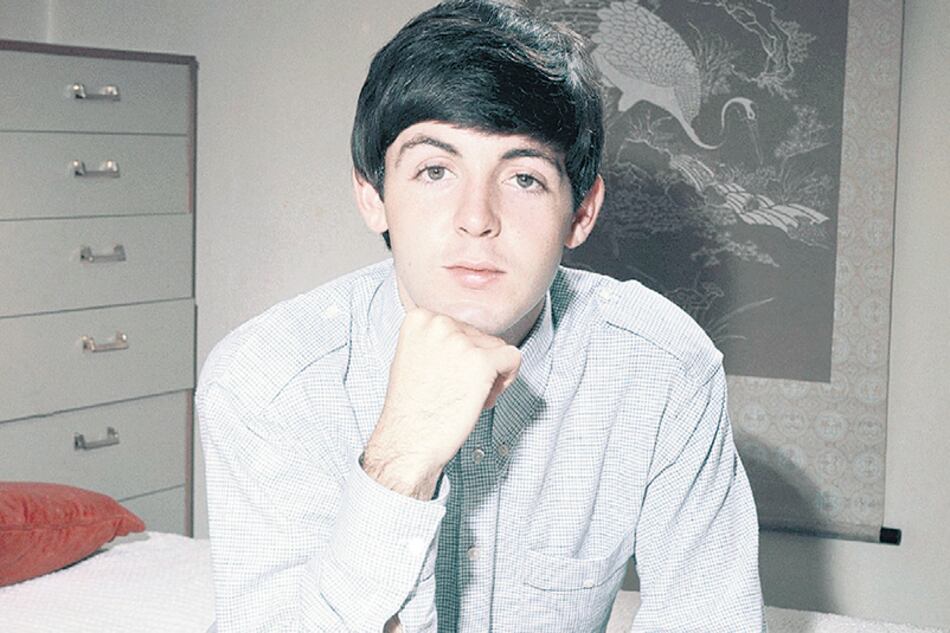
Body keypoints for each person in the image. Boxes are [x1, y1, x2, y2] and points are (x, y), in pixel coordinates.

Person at [197, 1, 765, 631]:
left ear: (581, 213)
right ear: (372, 196)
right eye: (435, 170)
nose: (477, 218)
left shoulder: (664, 369)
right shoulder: (264, 380)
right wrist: (399, 463)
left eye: (523, 178)